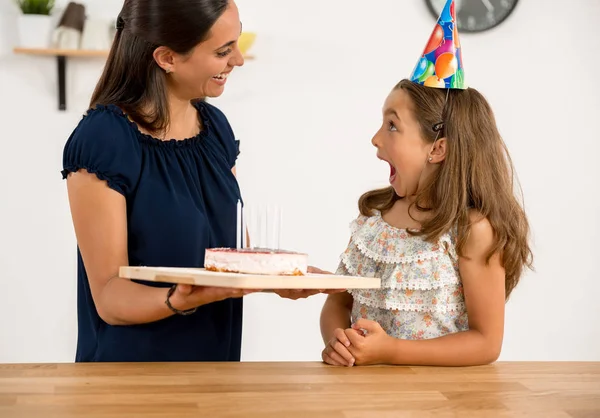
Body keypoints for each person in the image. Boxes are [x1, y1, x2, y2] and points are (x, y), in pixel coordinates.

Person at [61, 0, 320, 363]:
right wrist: (178, 298)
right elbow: (108, 297)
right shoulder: (104, 138)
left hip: (213, 371)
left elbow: (230, 259)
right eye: (222, 51)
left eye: (237, 43)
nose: (239, 60)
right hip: (129, 381)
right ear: (167, 58)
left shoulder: (215, 130)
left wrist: (283, 276)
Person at [319, 0, 533, 367]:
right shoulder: (376, 222)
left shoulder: (471, 231)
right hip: (365, 396)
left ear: (438, 148)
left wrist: (392, 351)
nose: (375, 138)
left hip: (440, 399)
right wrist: (338, 340)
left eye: (392, 125)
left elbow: (486, 343)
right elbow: (338, 303)